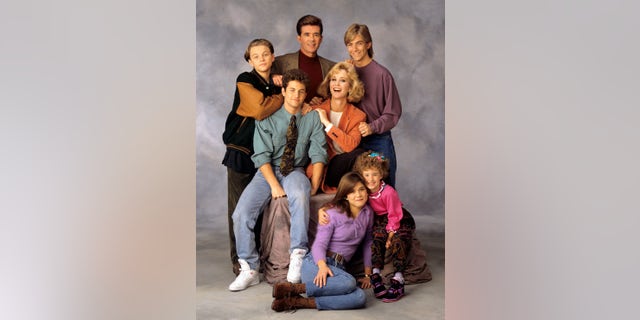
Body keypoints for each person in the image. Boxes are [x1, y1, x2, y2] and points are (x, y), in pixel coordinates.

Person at [228, 69, 328, 292]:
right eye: (291, 90)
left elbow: (319, 153)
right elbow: (261, 155)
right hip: (267, 171)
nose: (296, 95)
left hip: (295, 170)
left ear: (305, 94)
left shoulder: (312, 117)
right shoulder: (268, 118)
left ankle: (297, 256)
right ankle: (249, 269)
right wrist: (273, 185)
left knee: (300, 196)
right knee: (241, 213)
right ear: (283, 91)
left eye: (301, 92)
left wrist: (314, 185)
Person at [221, 38, 283, 275]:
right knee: (239, 210)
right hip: (241, 151)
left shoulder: (276, 82)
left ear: (273, 57)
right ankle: (239, 259)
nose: (261, 59)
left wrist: (280, 87)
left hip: (264, 153)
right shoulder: (244, 80)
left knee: (259, 208)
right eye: (256, 56)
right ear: (249, 60)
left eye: (265, 54)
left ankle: (258, 256)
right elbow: (259, 110)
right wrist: (281, 95)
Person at [270, 171, 374, 312]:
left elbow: (368, 243)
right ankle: (295, 288)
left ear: (367, 191)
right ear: (345, 195)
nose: (358, 195)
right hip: (316, 263)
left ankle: (298, 301)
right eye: (352, 191)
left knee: (359, 298)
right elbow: (319, 244)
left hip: (339, 268)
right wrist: (322, 266)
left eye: (361, 189)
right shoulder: (332, 213)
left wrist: (368, 275)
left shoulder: (368, 213)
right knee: (350, 282)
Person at [352, 150, 416, 303]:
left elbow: (394, 214)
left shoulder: (388, 192)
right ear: (361, 175)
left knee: (398, 240)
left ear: (381, 174)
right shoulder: (363, 191)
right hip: (380, 220)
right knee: (376, 239)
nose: (371, 179)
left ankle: (398, 278)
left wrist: (391, 234)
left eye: (374, 174)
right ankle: (375, 275)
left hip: (399, 218)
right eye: (366, 175)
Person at [344, 23, 402, 187]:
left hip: (378, 139)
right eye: (350, 44)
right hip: (352, 139)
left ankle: (389, 214)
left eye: (359, 43)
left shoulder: (382, 75)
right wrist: (346, 74)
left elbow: (393, 113)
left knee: (385, 185)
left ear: (368, 44)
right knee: (356, 188)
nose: (354, 49)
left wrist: (372, 127)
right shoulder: (347, 72)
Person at [305, 61, 367, 193]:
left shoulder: (358, 115)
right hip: (322, 167)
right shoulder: (316, 109)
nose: (336, 84)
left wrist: (327, 123)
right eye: (333, 80)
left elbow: (350, 146)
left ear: (350, 87)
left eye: (342, 80)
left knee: (361, 153)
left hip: (344, 167)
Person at [272, 14, 336, 107]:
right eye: (307, 34)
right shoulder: (280, 62)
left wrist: (324, 101)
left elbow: (338, 96)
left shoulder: (331, 67)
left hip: (318, 118)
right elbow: (258, 79)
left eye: (316, 35)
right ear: (299, 38)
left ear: (321, 39)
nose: (312, 39)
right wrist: (271, 77)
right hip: (289, 119)